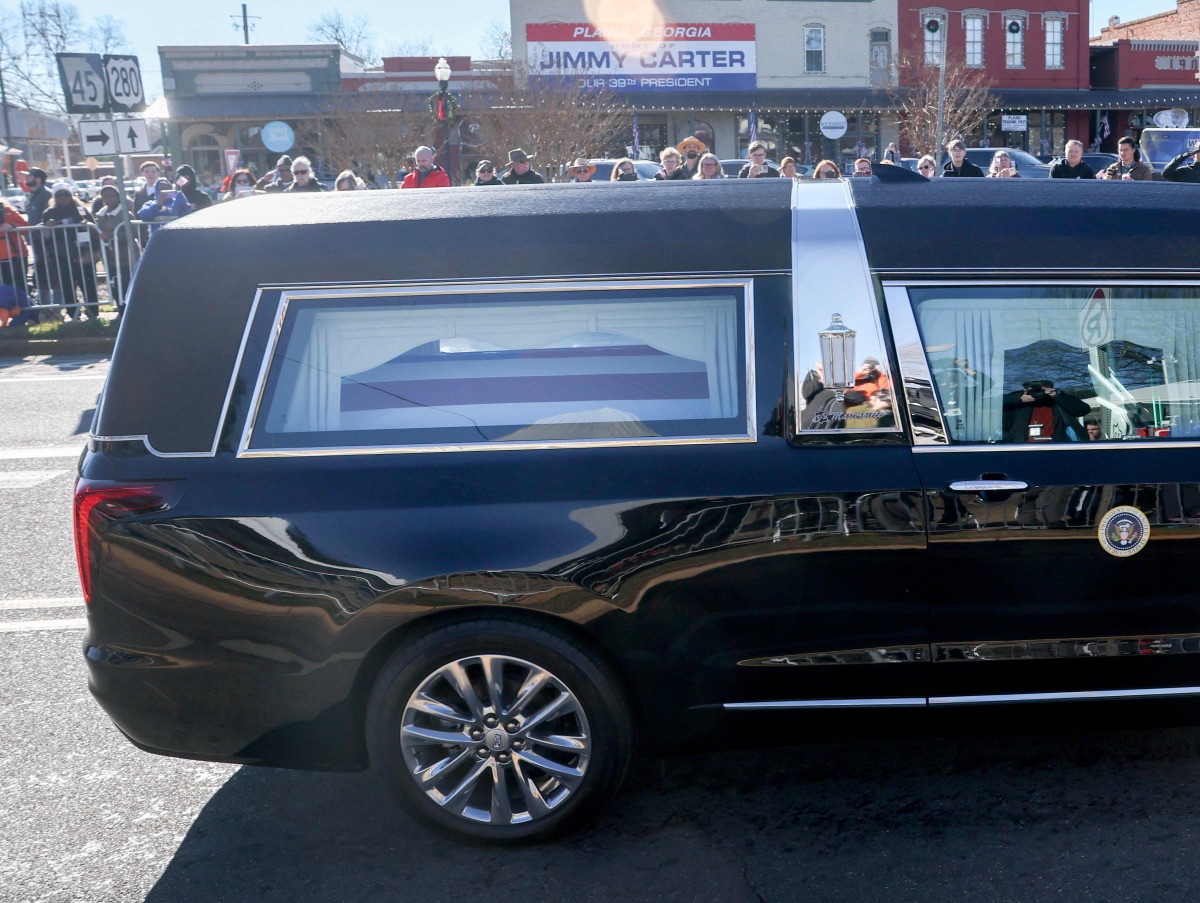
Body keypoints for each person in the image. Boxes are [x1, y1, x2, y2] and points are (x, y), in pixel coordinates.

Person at [41, 182, 100, 320]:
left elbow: (93, 230)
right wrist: (48, 229)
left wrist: (88, 228)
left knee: (88, 283)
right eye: (59, 195)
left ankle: (93, 313)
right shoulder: (49, 213)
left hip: (82, 253)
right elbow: (45, 238)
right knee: (67, 285)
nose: (63, 198)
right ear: (54, 197)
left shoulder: (80, 210)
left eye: (66, 194)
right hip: (60, 256)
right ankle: (73, 314)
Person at [93, 184, 138, 310]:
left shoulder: (126, 214)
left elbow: (132, 232)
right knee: (114, 284)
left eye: (112, 196)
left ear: (118, 197)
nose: (109, 199)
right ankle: (120, 308)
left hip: (126, 256)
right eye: (105, 196)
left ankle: (130, 310)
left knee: (127, 284)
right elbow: (97, 231)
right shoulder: (100, 215)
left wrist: (112, 236)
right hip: (109, 257)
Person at [1002, 379, 1091, 443]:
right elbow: (993, 404)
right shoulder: (1019, 402)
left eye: (1040, 389)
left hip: (1055, 449)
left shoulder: (1058, 402)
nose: (1036, 392)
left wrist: (1056, 395)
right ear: (1025, 390)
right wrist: (1019, 399)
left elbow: (1083, 410)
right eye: (1032, 389)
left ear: (1049, 388)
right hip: (1022, 449)